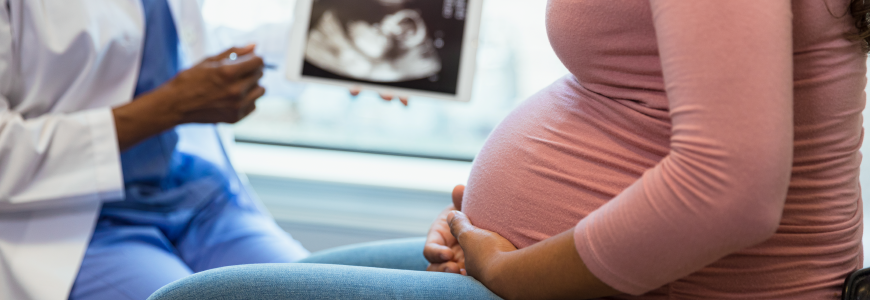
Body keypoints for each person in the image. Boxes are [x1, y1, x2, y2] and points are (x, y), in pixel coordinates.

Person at [149, 0, 868, 299]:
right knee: (292, 274)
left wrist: (515, 269)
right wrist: (487, 222)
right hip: (566, 262)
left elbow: (729, 192)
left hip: (687, 286)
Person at [0, 0, 316, 299]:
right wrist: (172, 106)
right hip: (69, 219)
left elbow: (180, 43)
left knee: (323, 289)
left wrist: (317, 53)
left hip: (191, 194)